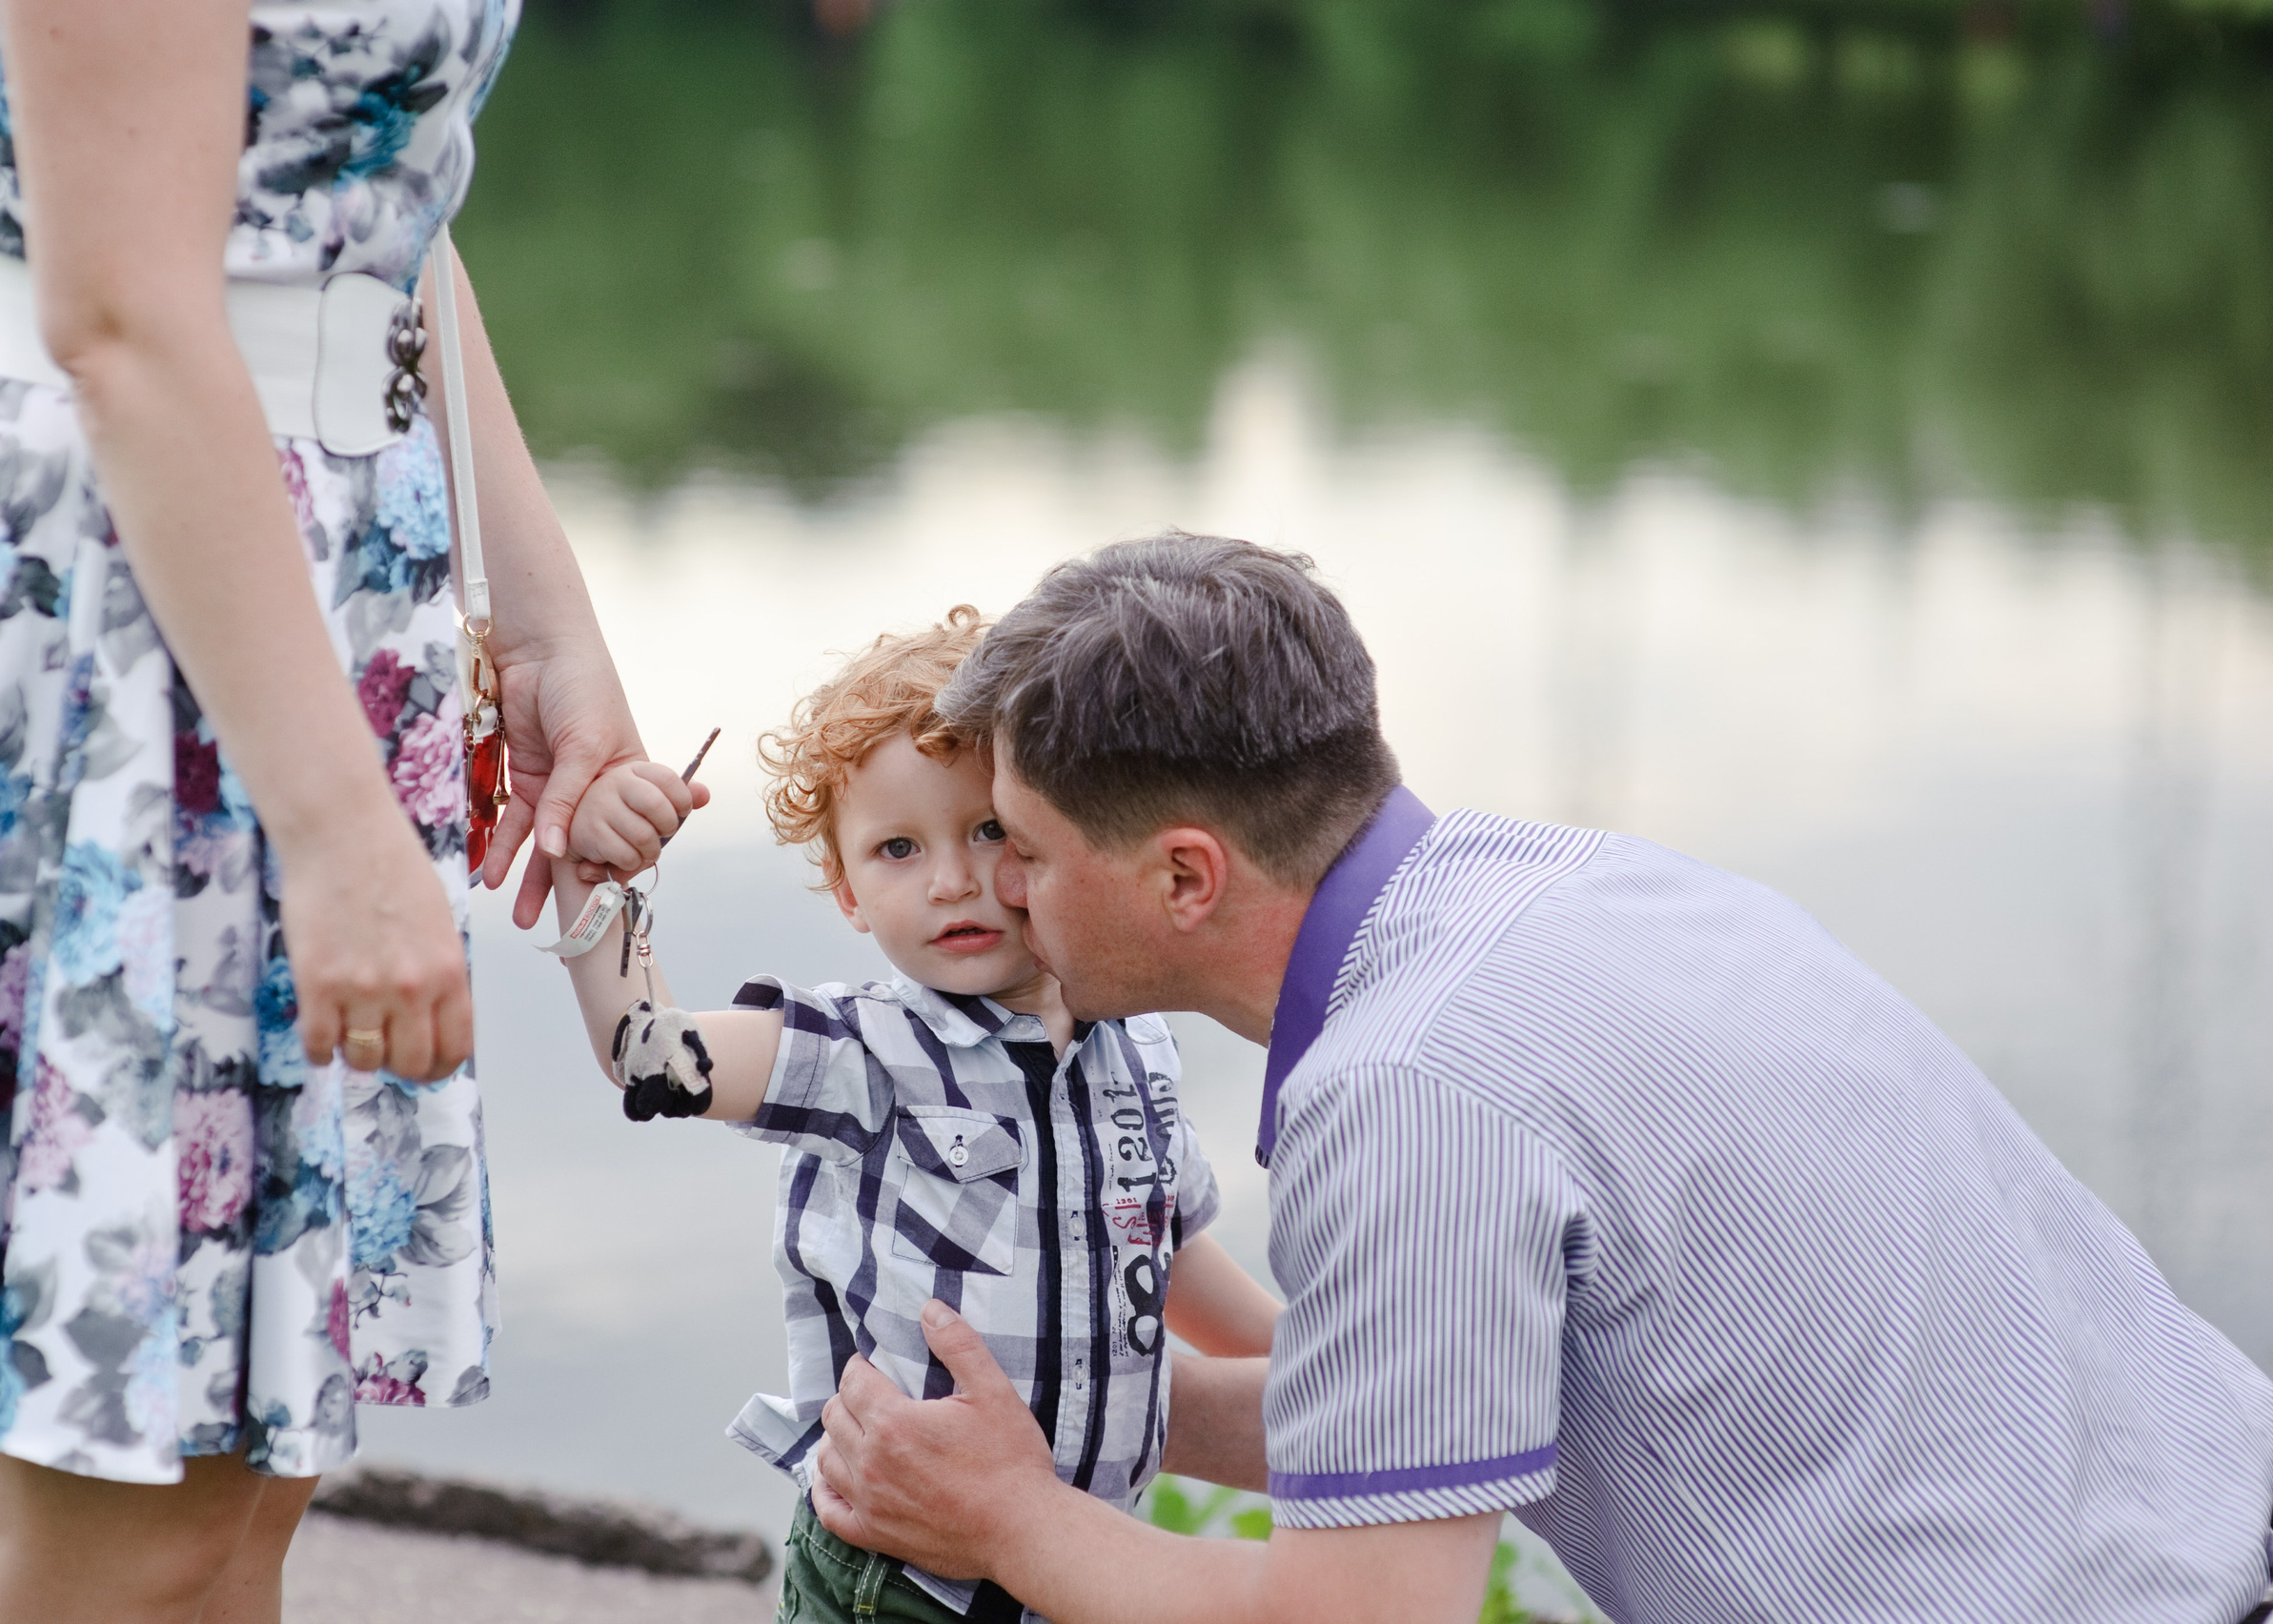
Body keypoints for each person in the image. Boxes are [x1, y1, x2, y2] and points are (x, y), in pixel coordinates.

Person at [804, 534, 2273, 1624]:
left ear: (1185, 874)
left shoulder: (1409, 1092)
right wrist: (1104, 1395)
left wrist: (1006, 1517)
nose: (998, 892)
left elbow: (1366, 1615)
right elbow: (1457, 1419)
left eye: (1027, 847)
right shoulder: (1587, 893)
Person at [0, 3, 697, 1620]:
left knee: (241, 1503)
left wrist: (539, 613)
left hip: (336, 590)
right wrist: (335, 827)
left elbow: (377, 212)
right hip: (140, 634)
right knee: (140, 1525)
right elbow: (126, 320)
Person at [545, 608, 1281, 1624]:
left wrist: (1306, 1361)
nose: (951, 881)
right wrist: (599, 886)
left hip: (1080, 1562)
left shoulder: (1134, 1045)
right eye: (897, 849)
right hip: (901, 1577)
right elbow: (653, 1060)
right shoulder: (863, 1053)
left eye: (988, 832)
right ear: (846, 893)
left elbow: (1165, 1245)